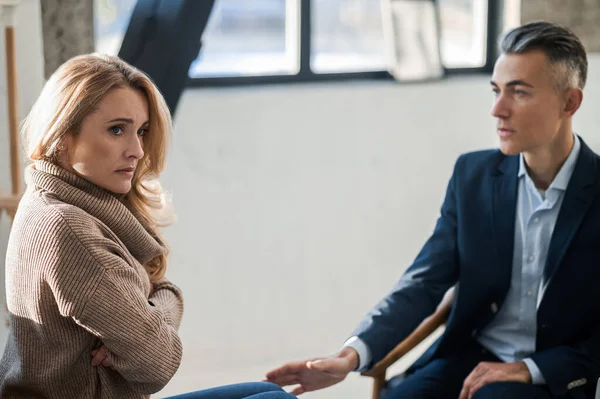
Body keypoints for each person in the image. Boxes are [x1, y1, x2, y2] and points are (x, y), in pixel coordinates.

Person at [266, 21, 600, 399]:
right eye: (496, 90)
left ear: (570, 102)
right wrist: (350, 356)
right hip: (469, 356)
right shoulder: (472, 176)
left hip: (551, 375)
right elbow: (424, 282)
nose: (497, 110)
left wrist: (531, 369)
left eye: (518, 92)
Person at [0, 53, 295, 399]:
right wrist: (162, 307)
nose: (137, 150)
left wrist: (151, 315)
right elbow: (158, 362)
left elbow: (157, 310)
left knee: (267, 391)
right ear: (63, 134)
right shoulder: (69, 227)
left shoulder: (52, 198)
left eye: (140, 131)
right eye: (116, 130)